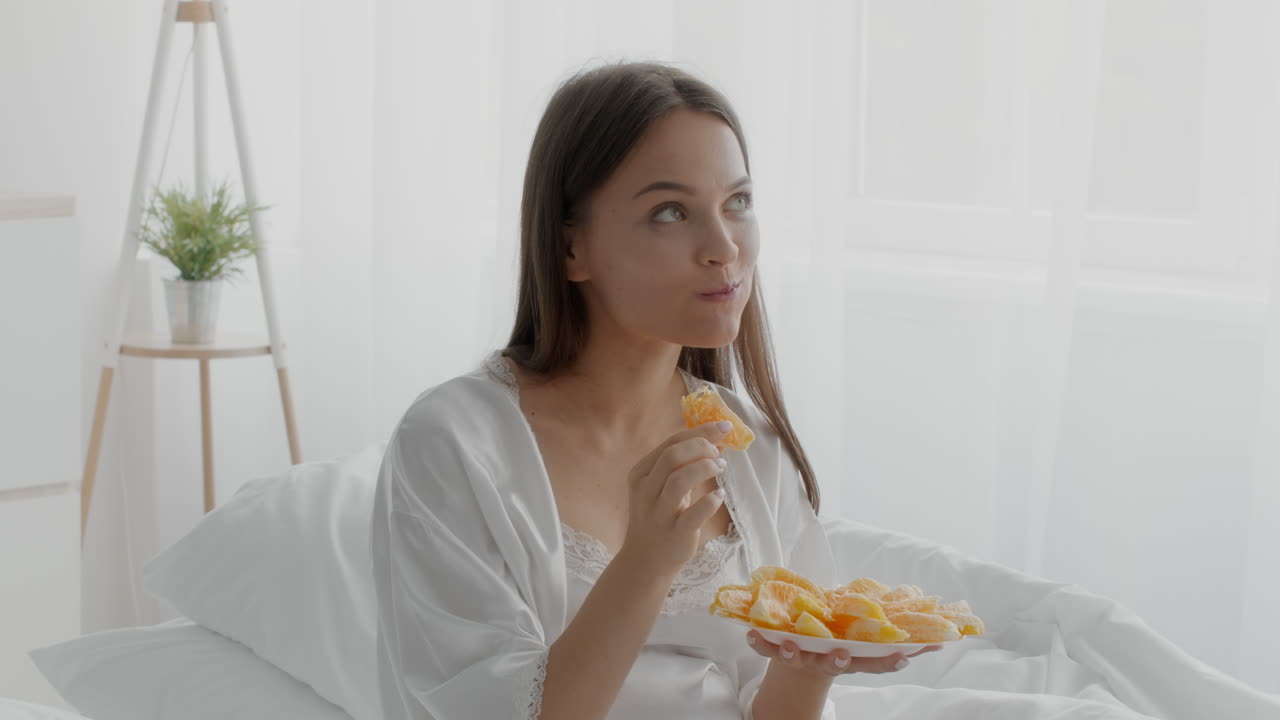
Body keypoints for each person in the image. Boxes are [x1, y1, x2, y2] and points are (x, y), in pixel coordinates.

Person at [369, 60, 937, 720]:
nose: (724, 247)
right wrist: (643, 565)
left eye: (738, 204)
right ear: (569, 250)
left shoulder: (747, 446)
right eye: (671, 212)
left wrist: (815, 665)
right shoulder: (454, 444)